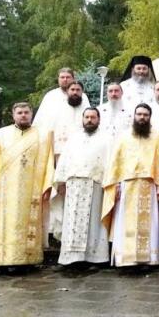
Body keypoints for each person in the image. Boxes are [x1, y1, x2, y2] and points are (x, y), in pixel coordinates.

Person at [0, 102, 54, 274]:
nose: (23, 115)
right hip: (6, 189)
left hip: (32, 189)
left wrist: (47, 186)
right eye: (19, 112)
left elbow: (49, 162)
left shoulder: (43, 135)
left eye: (26, 112)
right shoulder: (2, 133)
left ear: (31, 114)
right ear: (13, 115)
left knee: (29, 225)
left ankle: (28, 261)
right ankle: (2, 261)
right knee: (5, 225)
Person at [102, 104, 159, 269]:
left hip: (150, 185)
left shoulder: (158, 137)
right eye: (139, 114)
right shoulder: (124, 137)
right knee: (125, 222)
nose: (142, 117)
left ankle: (150, 259)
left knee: (151, 223)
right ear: (134, 115)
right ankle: (127, 258)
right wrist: (116, 184)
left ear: (150, 117)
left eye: (145, 115)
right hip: (128, 186)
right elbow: (115, 163)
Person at [49, 107, 110, 267]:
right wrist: (61, 182)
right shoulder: (74, 138)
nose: (89, 120)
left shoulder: (106, 138)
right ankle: (71, 258)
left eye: (93, 117)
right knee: (72, 222)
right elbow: (64, 161)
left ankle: (94, 257)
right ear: (82, 119)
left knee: (94, 223)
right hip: (74, 186)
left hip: (95, 185)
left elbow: (110, 162)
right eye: (87, 117)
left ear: (99, 119)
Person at [50, 81, 88, 164]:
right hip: (61, 148)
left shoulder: (86, 106)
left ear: (82, 92)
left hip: (81, 147)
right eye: (72, 89)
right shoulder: (58, 107)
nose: (75, 92)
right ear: (67, 91)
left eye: (78, 90)